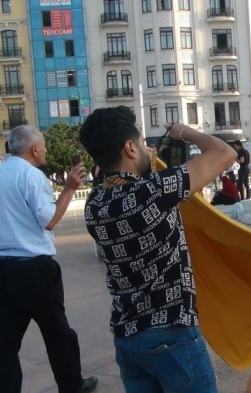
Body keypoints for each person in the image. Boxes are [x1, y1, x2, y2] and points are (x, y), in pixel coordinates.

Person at [79, 106, 236, 393]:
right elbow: (224, 152)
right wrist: (182, 132)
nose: (149, 149)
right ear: (129, 148)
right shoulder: (153, 191)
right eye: (142, 144)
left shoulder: (95, 204)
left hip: (127, 340)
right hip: (172, 335)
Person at [0, 126, 98, 393]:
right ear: (34, 149)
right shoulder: (31, 176)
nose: (44, 149)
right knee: (58, 333)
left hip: (3, 267)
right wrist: (69, 189)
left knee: (5, 341)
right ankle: (72, 385)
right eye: (42, 145)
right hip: (34, 268)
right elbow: (49, 220)